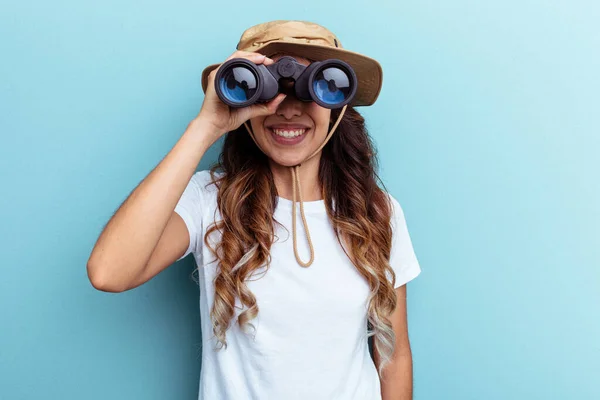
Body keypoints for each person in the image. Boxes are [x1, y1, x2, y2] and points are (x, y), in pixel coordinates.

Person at [87, 19, 422, 400]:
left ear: (339, 104)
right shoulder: (210, 199)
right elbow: (108, 272)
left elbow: (392, 357)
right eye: (270, 89)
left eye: (314, 87)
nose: (289, 110)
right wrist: (206, 125)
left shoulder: (376, 211)